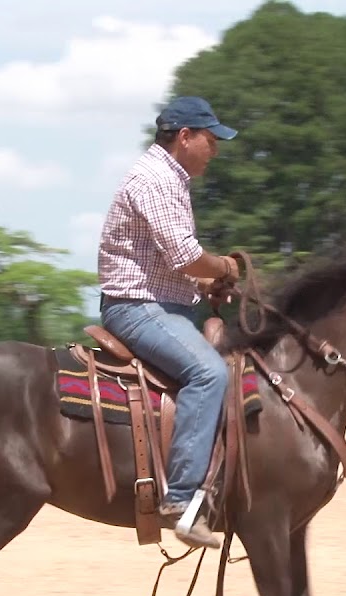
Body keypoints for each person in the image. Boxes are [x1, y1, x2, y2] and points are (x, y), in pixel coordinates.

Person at [96, 96, 241, 550]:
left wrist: (204, 288)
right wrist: (226, 268)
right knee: (208, 372)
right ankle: (181, 500)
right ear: (185, 137)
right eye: (210, 139)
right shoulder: (156, 179)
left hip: (160, 302)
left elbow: (171, 266)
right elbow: (184, 255)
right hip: (136, 307)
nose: (214, 150)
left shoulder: (169, 178)